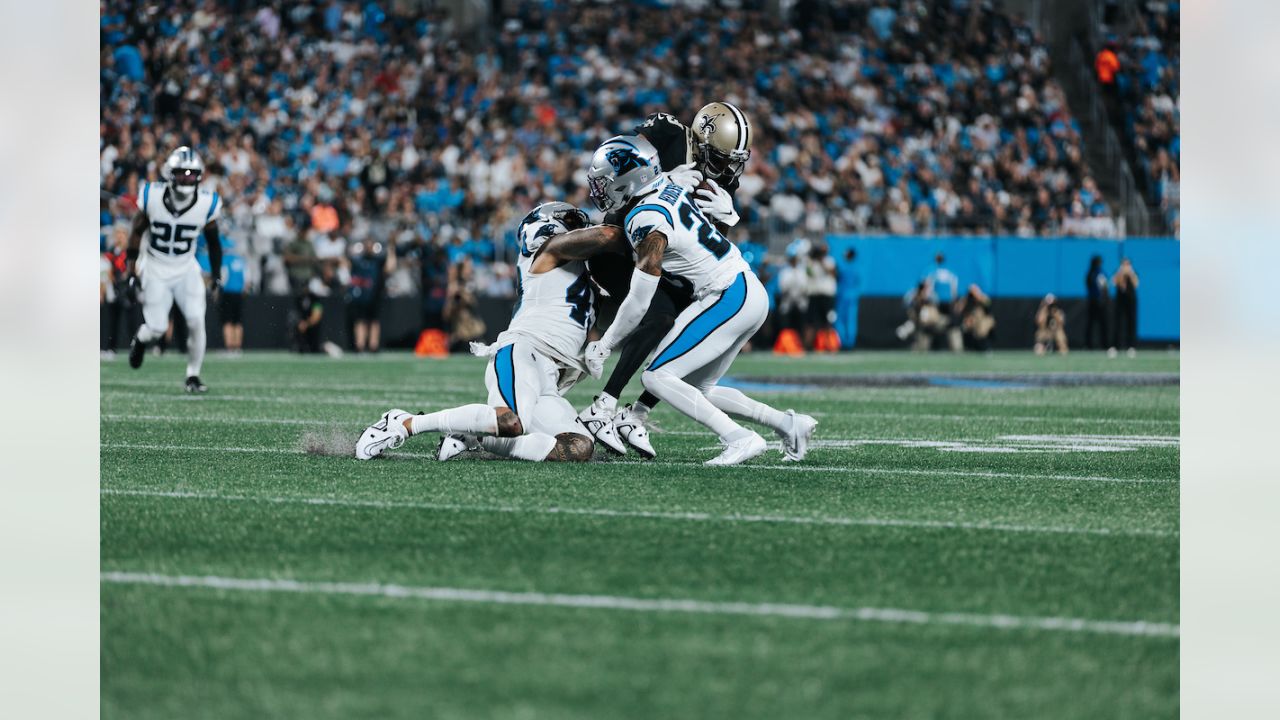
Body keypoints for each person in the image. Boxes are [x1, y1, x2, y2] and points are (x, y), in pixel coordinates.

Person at [580, 135, 817, 465]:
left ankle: (739, 437)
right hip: (746, 290)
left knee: (656, 377)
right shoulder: (665, 185)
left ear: (628, 178)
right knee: (701, 389)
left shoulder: (644, 218)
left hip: (728, 294)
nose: (601, 189)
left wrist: (604, 345)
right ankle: (787, 424)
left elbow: (639, 301)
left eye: (606, 181)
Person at [356, 202, 610, 464]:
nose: (580, 226)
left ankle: (474, 435)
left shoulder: (587, 281)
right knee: (512, 422)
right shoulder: (545, 251)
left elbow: (604, 322)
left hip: (551, 377)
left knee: (577, 447)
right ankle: (405, 423)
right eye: (570, 220)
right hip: (523, 352)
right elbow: (607, 235)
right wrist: (640, 225)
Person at [578, 102, 753, 459]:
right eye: (720, 158)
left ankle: (631, 413)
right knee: (657, 315)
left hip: (661, 256)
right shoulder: (668, 134)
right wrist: (663, 182)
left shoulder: (720, 181)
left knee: (674, 324)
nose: (727, 170)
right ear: (702, 144)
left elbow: (702, 247)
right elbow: (619, 171)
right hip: (618, 246)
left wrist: (727, 220)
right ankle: (605, 408)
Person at [124, 146, 222, 393]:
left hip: (185, 266)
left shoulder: (207, 203)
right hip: (156, 265)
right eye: (182, 173)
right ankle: (141, 339)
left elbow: (214, 242)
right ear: (170, 173)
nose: (187, 178)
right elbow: (136, 234)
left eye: (192, 174)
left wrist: (217, 274)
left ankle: (193, 375)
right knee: (156, 328)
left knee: (196, 319)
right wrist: (131, 271)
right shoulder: (152, 197)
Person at [347, 238, 396, 353]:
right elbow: (346, 262)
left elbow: (390, 268)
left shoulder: (378, 261)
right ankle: (360, 345)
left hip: (374, 295)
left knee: (374, 321)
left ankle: (373, 346)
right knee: (360, 320)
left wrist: (391, 250)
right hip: (360, 296)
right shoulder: (357, 260)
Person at [805, 240, 837, 350]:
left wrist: (821, 262)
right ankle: (807, 346)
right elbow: (809, 273)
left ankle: (829, 345)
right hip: (814, 295)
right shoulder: (811, 262)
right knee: (811, 322)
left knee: (828, 322)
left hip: (826, 295)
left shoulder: (829, 261)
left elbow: (832, 273)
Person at [219, 238, 246, 355]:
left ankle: (230, 347)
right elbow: (247, 279)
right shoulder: (240, 261)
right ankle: (238, 347)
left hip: (228, 293)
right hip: (238, 293)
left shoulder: (225, 260)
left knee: (228, 321)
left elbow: (223, 278)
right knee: (238, 322)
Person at [835, 247, 862, 349]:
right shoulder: (857, 268)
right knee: (851, 320)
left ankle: (842, 342)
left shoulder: (841, 266)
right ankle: (850, 342)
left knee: (841, 320)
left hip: (843, 296)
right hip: (852, 296)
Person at [955, 284, 996, 351]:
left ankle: (985, 347)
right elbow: (959, 310)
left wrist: (978, 297)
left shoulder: (983, 297)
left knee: (982, 328)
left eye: (975, 291)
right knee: (965, 326)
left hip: (984, 319)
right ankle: (969, 347)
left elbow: (988, 307)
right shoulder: (966, 300)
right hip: (972, 320)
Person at [1083, 255, 1111, 350]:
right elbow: (1105, 287)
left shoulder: (1090, 273)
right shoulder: (1098, 273)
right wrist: (1105, 299)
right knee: (1101, 324)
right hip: (1099, 301)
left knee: (1092, 324)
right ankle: (1104, 344)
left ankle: (1089, 344)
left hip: (1093, 301)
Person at [1112, 258, 1139, 355]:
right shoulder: (1118, 273)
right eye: (1123, 264)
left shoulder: (1133, 273)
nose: (1125, 267)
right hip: (1120, 300)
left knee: (1131, 322)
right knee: (1118, 322)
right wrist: (1121, 273)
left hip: (1131, 300)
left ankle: (1131, 346)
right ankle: (1116, 346)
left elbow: (1136, 284)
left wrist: (1130, 273)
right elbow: (1114, 282)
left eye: (1127, 264)